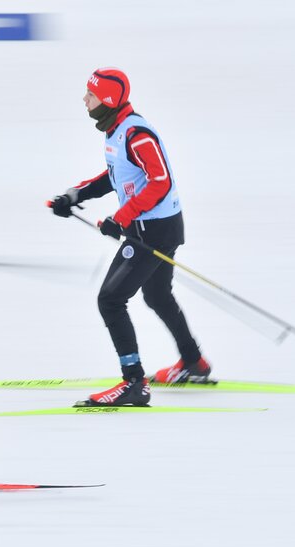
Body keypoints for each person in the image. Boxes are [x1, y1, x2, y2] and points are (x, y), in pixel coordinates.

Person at [49, 68, 211, 406]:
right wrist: (74, 196)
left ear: (106, 100)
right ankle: (193, 362)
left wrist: (120, 218)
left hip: (153, 230)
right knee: (157, 296)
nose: (84, 99)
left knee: (110, 299)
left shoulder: (136, 133)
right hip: (153, 227)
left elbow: (160, 182)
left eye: (90, 95)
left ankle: (134, 382)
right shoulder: (116, 130)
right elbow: (115, 175)